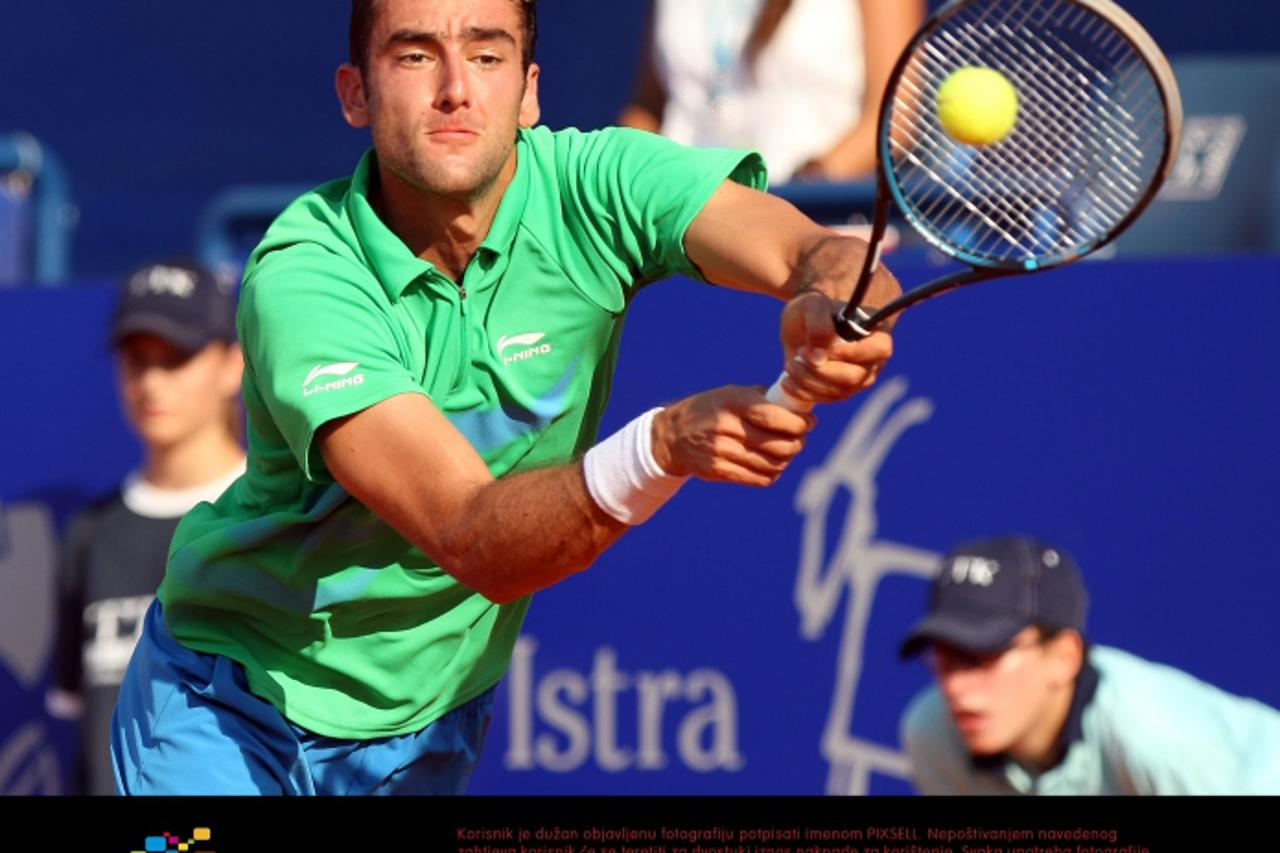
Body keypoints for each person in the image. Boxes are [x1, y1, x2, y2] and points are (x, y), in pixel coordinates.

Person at [111, 0, 901, 796]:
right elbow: (471, 534)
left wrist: (835, 300)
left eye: (486, 57)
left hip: (427, 731)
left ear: (529, 93)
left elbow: (819, 250)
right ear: (355, 94)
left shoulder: (599, 185)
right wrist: (663, 445)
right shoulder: (306, 276)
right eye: (416, 56)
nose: (456, 88)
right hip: (223, 707)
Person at [46, 259, 245, 795]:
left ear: (234, 365)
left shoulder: (277, 519)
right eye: (137, 359)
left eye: (176, 358)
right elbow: (80, 716)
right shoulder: (90, 533)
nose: (151, 381)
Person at [899, 534, 1280, 795]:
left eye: (984, 657)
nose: (956, 687)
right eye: (944, 658)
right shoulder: (932, 734)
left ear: (1064, 657)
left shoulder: (1156, 739)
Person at [619, 0, 924, 183]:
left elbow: (893, 121)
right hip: (678, 226)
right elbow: (649, 108)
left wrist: (808, 186)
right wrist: (631, 178)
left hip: (814, 226)